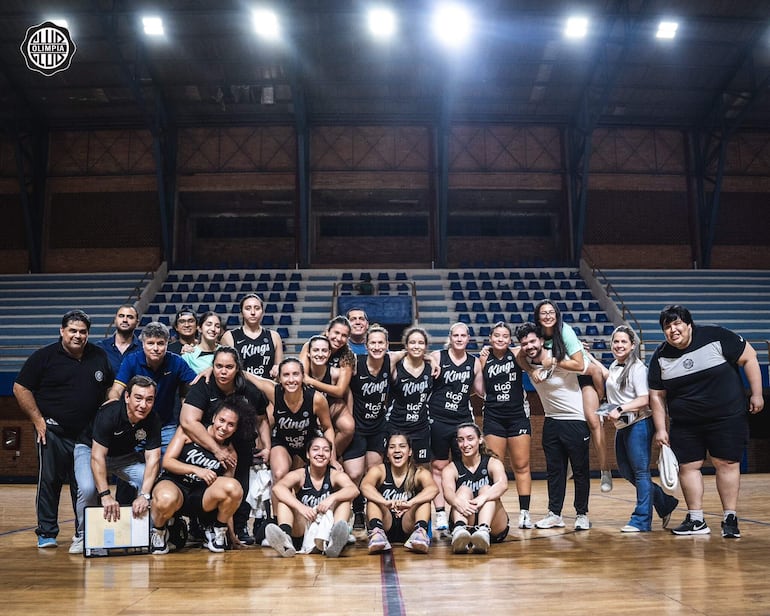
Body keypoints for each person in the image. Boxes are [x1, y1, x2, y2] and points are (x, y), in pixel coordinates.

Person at [649, 305, 764, 538]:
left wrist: (757, 393)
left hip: (726, 417)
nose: (673, 330)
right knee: (688, 467)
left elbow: (750, 357)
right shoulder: (660, 357)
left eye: (677, 323)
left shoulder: (716, 337)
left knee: (727, 463)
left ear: (689, 325)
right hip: (686, 423)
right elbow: (656, 395)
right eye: (667, 327)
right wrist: (661, 428)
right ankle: (696, 520)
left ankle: (730, 517)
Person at [13, 310, 114, 549]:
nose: (78, 336)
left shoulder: (98, 356)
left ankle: (84, 532)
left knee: (84, 485)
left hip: (87, 435)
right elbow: (20, 388)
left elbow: (110, 387)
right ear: (62, 331)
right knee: (49, 482)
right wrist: (38, 420)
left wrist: (107, 412)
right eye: (73, 331)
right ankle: (47, 532)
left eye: (82, 331)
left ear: (88, 333)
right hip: (52, 432)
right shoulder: (44, 357)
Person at [180, 346, 270, 545]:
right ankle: (201, 525)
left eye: (229, 367)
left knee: (240, 489)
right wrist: (216, 449)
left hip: (242, 446)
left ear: (237, 368)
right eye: (218, 366)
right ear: (212, 367)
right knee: (207, 488)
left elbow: (262, 418)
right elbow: (188, 421)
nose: (223, 371)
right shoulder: (203, 386)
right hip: (209, 447)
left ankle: (237, 530)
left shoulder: (248, 388)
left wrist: (267, 446)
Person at [599, 326, 679, 533]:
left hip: (640, 424)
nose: (619, 345)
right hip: (623, 425)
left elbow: (645, 400)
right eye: (616, 342)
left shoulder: (638, 368)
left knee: (641, 472)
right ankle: (664, 502)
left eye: (624, 342)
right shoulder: (615, 366)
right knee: (626, 471)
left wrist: (619, 408)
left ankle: (641, 520)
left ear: (633, 345)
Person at [71, 375, 161, 553]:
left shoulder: (153, 419)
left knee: (153, 484)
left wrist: (145, 495)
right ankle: (82, 536)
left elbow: (154, 458)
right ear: (127, 397)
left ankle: (149, 533)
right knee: (88, 489)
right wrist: (105, 495)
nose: (143, 405)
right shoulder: (109, 414)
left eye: (149, 400)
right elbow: (97, 457)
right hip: (90, 450)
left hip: (123, 456)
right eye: (138, 398)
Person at [528, 300, 612, 492]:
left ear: (557, 314)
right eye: (544, 313)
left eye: (551, 312)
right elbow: (520, 351)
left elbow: (587, 369)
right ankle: (567, 467)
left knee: (593, 421)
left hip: (584, 375)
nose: (548, 316)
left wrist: (601, 399)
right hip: (568, 380)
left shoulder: (565, 331)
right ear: (537, 317)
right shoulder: (537, 335)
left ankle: (605, 470)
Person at [516, 322, 591, 531]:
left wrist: (576, 350)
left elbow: (580, 363)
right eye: (524, 343)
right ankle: (555, 514)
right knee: (555, 471)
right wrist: (531, 372)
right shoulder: (527, 358)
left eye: (532, 341)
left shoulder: (558, 353)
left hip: (575, 418)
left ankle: (582, 514)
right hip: (551, 419)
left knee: (580, 470)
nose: (529, 346)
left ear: (541, 340)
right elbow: (517, 355)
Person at [150, 399, 248, 554]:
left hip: (201, 497)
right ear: (214, 417)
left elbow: (231, 497)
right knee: (165, 498)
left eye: (231, 424)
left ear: (235, 429)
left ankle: (218, 531)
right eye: (221, 420)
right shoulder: (188, 432)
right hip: (175, 485)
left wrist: (230, 530)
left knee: (234, 487)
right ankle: (159, 531)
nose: (224, 427)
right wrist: (196, 470)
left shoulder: (230, 454)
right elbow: (167, 462)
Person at [245, 357, 336, 486]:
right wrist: (210, 369)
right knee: (279, 474)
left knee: (306, 480)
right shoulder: (273, 392)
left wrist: (333, 459)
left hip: (308, 442)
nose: (291, 380)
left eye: (295, 374)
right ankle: (277, 506)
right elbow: (247, 375)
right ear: (280, 379)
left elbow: (328, 428)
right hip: (282, 441)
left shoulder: (316, 399)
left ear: (303, 376)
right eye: (286, 375)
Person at [427, 322, 483, 534]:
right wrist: (427, 360)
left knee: (464, 467)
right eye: (455, 335)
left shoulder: (474, 363)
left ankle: (460, 510)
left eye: (463, 336)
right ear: (450, 337)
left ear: (469, 339)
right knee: (439, 466)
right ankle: (441, 511)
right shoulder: (437, 356)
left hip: (462, 420)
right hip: (438, 418)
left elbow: (481, 391)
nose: (459, 339)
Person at [264, 435, 359, 558]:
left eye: (326, 450)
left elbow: (354, 490)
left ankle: (335, 541)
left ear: (330, 455)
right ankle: (285, 539)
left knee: (344, 499)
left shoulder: (335, 475)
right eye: (316, 449)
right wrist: (301, 507)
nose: (321, 453)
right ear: (308, 454)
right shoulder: (300, 474)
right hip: (303, 527)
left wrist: (332, 498)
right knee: (285, 499)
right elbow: (278, 488)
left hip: (326, 527)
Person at [107, 321, 197, 448]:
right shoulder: (131, 360)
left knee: (167, 464)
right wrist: (112, 408)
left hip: (165, 426)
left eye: (160, 343)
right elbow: (116, 390)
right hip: (134, 423)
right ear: (143, 344)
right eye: (150, 343)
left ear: (167, 344)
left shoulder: (176, 362)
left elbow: (196, 385)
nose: (155, 348)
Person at [479, 321, 534, 530]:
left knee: (521, 465)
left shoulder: (518, 354)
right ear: (490, 338)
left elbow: (539, 350)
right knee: (494, 468)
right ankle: (494, 511)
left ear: (509, 339)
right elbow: (477, 385)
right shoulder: (484, 358)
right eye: (497, 336)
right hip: (493, 417)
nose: (500, 339)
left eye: (504, 336)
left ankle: (525, 513)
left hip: (518, 416)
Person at [345, 324, 392, 529]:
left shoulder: (391, 360)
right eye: (372, 342)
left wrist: (429, 359)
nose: (377, 346)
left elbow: (411, 351)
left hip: (378, 426)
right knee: (355, 474)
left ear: (387, 345)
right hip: (357, 426)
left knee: (373, 472)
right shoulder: (356, 363)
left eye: (381, 342)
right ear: (365, 344)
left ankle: (374, 514)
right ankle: (354, 511)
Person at [360, 432, 438, 554]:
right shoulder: (380, 470)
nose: (397, 450)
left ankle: (420, 534)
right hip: (386, 522)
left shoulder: (419, 472)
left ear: (410, 451)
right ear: (387, 453)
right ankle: (377, 534)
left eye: (402, 446)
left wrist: (410, 503)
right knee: (373, 500)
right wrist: (385, 502)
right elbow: (365, 486)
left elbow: (433, 489)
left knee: (424, 501)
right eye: (392, 447)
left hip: (409, 524)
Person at [442, 423, 509, 554]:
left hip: (493, 524)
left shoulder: (492, 462)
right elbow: (448, 492)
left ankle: (483, 531)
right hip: (466, 516)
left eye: (470, 438)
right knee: (463, 490)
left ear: (480, 439)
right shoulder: (451, 468)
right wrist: (456, 501)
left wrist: (482, 498)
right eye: (461, 440)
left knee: (486, 489)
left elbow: (503, 484)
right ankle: (460, 530)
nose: (465, 444)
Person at [300, 316, 356, 456]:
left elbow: (340, 391)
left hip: (332, 400)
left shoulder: (347, 356)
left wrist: (313, 382)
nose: (339, 338)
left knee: (348, 427)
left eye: (344, 335)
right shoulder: (312, 344)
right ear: (328, 331)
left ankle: (330, 457)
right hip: (308, 397)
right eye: (336, 333)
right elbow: (302, 378)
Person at [385, 327, 434, 465]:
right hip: (396, 425)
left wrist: (430, 359)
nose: (416, 346)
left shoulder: (431, 368)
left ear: (425, 346)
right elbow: (387, 357)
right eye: (412, 342)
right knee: (393, 465)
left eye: (420, 343)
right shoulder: (396, 366)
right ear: (406, 345)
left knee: (422, 467)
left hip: (421, 426)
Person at [220, 293, 283, 379]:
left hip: (267, 388)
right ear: (241, 312)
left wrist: (278, 369)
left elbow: (280, 369)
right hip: (241, 389)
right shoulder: (229, 336)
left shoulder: (274, 336)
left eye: (257, 308)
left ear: (262, 312)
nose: (253, 312)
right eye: (248, 308)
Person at [96, 303, 141, 374]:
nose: (125, 320)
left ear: (137, 323)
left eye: (130, 317)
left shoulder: (143, 349)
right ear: (115, 320)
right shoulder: (100, 348)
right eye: (121, 316)